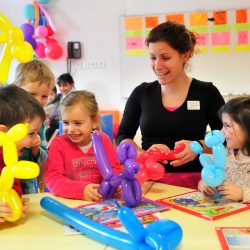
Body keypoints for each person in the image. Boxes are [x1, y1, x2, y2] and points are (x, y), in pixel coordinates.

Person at [116, 21, 225, 189]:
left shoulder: (206, 92)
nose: (157, 66)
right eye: (153, 57)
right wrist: (144, 154)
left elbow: (227, 140)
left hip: (198, 183)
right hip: (149, 181)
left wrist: (198, 146)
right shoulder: (141, 93)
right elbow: (123, 137)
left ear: (185, 55)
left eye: (166, 58)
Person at [45, 90, 121, 201]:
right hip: (71, 203)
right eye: (66, 123)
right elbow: (53, 180)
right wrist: (81, 190)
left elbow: (114, 169)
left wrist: (118, 185)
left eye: (78, 123)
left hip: (100, 203)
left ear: (94, 121)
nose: (70, 129)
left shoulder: (103, 140)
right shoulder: (58, 144)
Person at [0, 84, 46, 222]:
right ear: (3, 132)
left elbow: (11, 188)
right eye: (31, 133)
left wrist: (16, 202)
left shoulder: (10, 160)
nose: (35, 139)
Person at [14, 59, 55, 193]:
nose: (38, 101)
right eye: (32, 94)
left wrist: (36, 148)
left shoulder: (39, 122)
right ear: (16, 88)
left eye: (44, 96)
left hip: (26, 185)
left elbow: (43, 158)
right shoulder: (6, 115)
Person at [198, 96, 250, 202]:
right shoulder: (226, 153)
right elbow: (209, 176)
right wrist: (205, 184)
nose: (221, 132)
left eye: (227, 126)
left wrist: (242, 193)